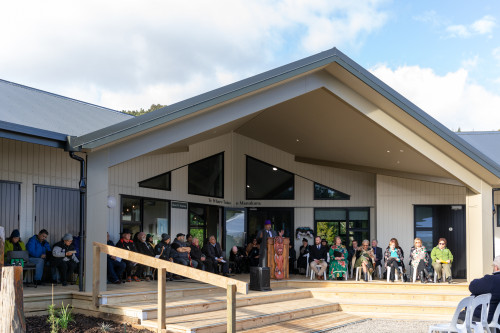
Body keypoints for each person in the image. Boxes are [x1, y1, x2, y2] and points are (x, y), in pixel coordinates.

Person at [467, 255, 500, 324]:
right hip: (496, 318)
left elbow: (472, 286)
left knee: (459, 319)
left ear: (496, 267)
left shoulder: (491, 280)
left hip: (483, 317)